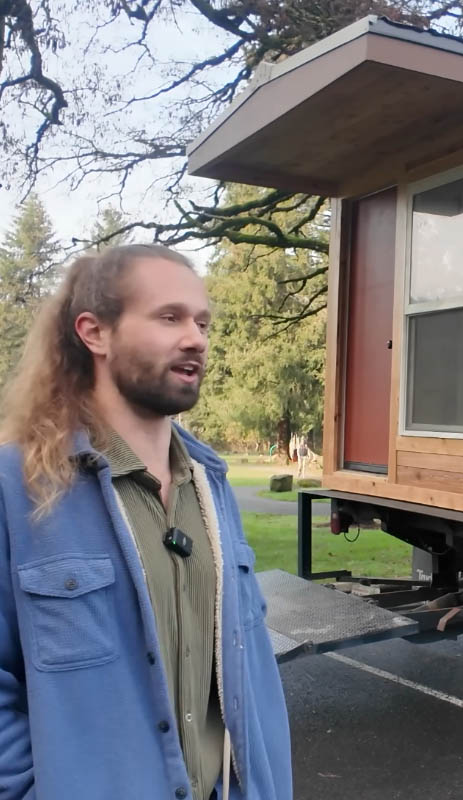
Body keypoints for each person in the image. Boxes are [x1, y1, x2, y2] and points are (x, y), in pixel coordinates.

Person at [0, 244, 292, 799]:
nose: (195, 338)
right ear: (95, 333)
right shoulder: (18, 487)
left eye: (202, 322)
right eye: (169, 317)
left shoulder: (211, 484)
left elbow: (246, 675)